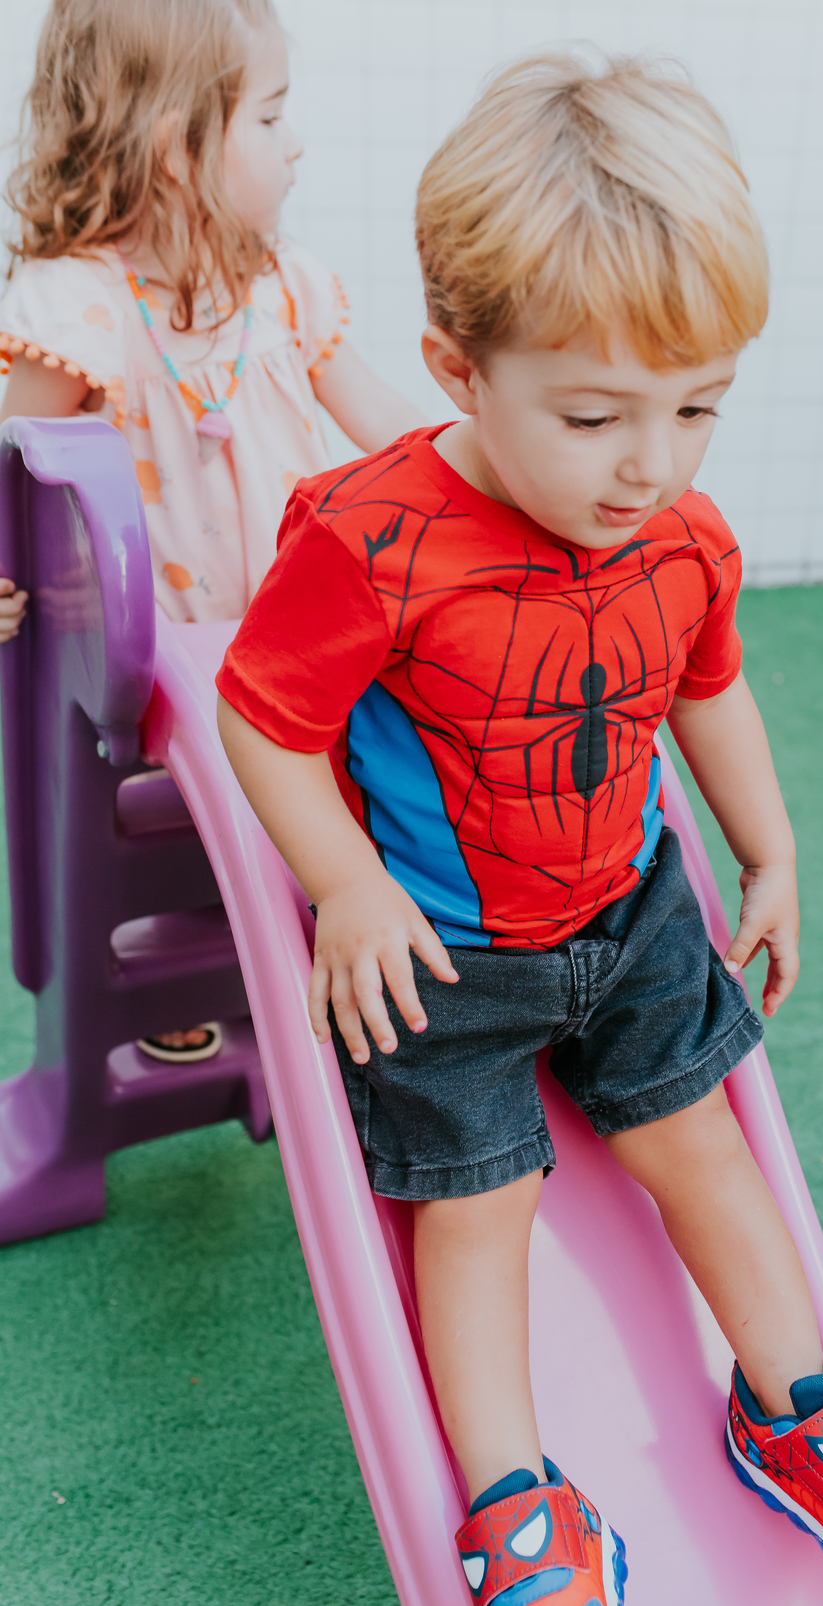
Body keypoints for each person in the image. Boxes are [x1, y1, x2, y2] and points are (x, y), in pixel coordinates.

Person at [215, 53, 823, 1606]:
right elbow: (261, 722)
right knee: (478, 1208)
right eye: (594, 415)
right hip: (447, 958)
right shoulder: (374, 540)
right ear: (456, 369)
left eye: (696, 408)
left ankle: (799, 1403)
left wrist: (769, 845)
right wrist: (347, 887)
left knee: (702, 1141)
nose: (649, 463)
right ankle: (515, 1502)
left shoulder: (680, 537)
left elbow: (709, 688)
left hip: (629, 921)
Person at [0, 0, 425, 1061]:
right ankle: (182, 970)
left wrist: (491, 476)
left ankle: (302, 956)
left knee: (350, 772)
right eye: (270, 117)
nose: (297, 143)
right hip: (158, 653)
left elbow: (389, 428)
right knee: (184, 821)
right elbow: (14, 467)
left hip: (293, 632)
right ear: (176, 147)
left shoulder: (285, 288)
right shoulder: (81, 305)